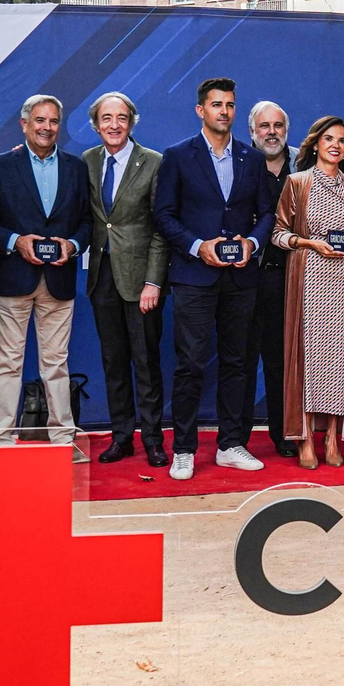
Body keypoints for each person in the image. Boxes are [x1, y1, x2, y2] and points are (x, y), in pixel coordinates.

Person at [152, 77, 277, 481]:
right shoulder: (177, 156)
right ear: (200, 110)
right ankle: (184, 448)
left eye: (230, 105)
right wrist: (196, 246)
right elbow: (164, 215)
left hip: (241, 278)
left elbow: (268, 215)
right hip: (193, 277)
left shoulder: (251, 158)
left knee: (237, 362)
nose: (224, 111)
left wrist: (252, 245)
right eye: (216, 104)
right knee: (189, 365)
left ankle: (230, 444)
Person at [0, 94, 93, 458]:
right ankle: (1, 439)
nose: (47, 128)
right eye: (40, 121)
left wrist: (72, 245)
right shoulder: (0, 167)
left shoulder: (77, 168)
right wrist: (15, 240)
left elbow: (87, 223)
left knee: (56, 364)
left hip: (59, 284)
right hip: (13, 280)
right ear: (25, 124)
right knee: (8, 363)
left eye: (54, 121)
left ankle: (63, 437)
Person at [271, 117, 344, 468]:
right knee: (306, 360)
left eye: (342, 141)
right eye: (329, 139)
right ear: (315, 144)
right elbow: (279, 234)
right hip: (307, 281)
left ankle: (332, 437)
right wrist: (309, 242)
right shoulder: (296, 183)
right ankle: (304, 440)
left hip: (341, 283)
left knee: (337, 360)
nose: (335, 145)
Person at [82, 92, 170, 467]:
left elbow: (160, 229)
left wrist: (153, 282)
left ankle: (152, 439)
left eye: (121, 117)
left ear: (132, 122)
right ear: (96, 124)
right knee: (113, 361)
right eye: (106, 118)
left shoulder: (153, 162)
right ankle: (122, 437)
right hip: (101, 277)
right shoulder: (87, 161)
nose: (114, 125)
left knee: (146, 362)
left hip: (141, 282)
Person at [244, 101, 299, 458]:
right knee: (243, 359)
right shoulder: (238, 163)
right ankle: (236, 439)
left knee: (284, 362)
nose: (271, 132)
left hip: (294, 278)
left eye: (278, 125)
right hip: (247, 277)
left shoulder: (305, 163)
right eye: (264, 126)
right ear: (253, 132)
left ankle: (284, 433)